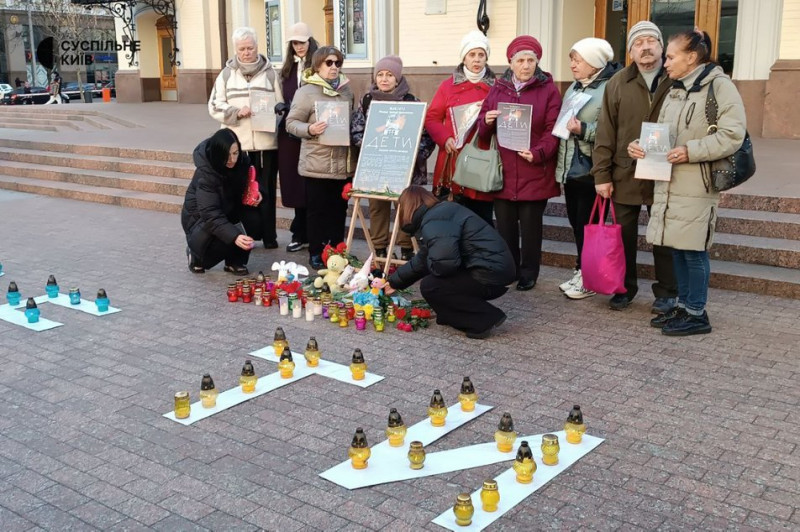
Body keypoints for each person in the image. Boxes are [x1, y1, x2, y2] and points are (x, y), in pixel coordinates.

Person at [630, 29, 746, 335]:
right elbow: (662, 135)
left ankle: (697, 313)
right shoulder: (676, 89)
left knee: (694, 250)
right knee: (678, 248)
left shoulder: (720, 87)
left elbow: (732, 134)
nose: (664, 62)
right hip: (670, 182)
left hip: (697, 183)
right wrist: (641, 146)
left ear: (691, 57)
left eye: (670, 56)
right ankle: (683, 306)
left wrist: (690, 151)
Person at [592, 21, 678, 313]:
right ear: (630, 51)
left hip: (666, 171)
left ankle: (666, 292)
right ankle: (624, 288)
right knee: (623, 235)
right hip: (625, 172)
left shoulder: (676, 78)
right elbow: (605, 131)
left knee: (663, 235)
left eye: (651, 41)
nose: (645, 47)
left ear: (661, 46)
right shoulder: (617, 82)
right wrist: (601, 175)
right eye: (638, 42)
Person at [477, 35, 561, 291]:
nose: (526, 65)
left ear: (538, 62)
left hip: (533, 169)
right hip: (503, 170)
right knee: (504, 228)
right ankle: (509, 269)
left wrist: (538, 153)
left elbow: (553, 129)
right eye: (520, 60)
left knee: (531, 228)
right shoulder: (498, 88)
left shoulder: (548, 90)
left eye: (531, 60)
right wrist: (487, 121)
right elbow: (482, 128)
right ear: (510, 63)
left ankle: (529, 272)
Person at [386, 186, 516, 339]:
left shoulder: (434, 221)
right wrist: (393, 282)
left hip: (491, 275)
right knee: (435, 282)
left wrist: (432, 266)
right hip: (495, 269)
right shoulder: (438, 214)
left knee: (431, 285)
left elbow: (444, 265)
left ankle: (485, 318)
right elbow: (423, 260)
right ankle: (453, 315)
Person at [555, 38, 621, 300]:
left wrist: (583, 130)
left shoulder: (609, 88)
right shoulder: (574, 86)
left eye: (578, 60)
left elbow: (612, 132)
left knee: (589, 225)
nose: (572, 64)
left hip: (592, 167)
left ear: (594, 63)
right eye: (572, 59)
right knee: (576, 222)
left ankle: (589, 277)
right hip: (570, 166)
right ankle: (580, 269)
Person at [351, 55, 435, 261]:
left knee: (406, 205)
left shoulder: (411, 102)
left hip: (404, 165)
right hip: (376, 164)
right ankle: (379, 247)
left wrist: (415, 154)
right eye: (380, 74)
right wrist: (372, 146)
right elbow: (357, 131)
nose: (384, 79)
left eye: (389, 75)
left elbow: (425, 135)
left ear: (397, 78)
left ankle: (406, 247)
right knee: (377, 206)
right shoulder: (367, 100)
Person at [209, 27, 283, 250]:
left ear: (257, 47)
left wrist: (270, 119)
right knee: (240, 191)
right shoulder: (225, 75)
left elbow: (281, 106)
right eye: (242, 49)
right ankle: (245, 236)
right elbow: (214, 105)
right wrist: (235, 112)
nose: (246, 52)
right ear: (235, 50)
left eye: (250, 47)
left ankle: (269, 237)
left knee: (266, 191)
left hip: (266, 144)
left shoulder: (271, 73)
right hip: (237, 146)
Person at [285, 46, 354, 271]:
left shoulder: (347, 91)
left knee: (339, 210)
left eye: (337, 63)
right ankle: (316, 251)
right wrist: (311, 128)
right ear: (317, 66)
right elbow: (291, 122)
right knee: (316, 211)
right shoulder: (306, 92)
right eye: (329, 63)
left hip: (341, 162)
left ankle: (336, 250)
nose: (334, 67)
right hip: (317, 162)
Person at [425, 30, 497, 225]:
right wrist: (445, 138)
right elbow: (432, 118)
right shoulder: (447, 86)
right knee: (450, 220)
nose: (476, 60)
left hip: (481, 161)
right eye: (472, 54)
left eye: (481, 55)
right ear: (464, 57)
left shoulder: (497, 87)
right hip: (452, 157)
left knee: (480, 218)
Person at [181, 129, 259, 275]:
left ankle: (234, 261)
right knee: (224, 239)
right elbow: (210, 214)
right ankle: (196, 256)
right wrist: (235, 236)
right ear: (217, 154)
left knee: (255, 218)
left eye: (235, 153)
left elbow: (250, 184)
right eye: (226, 155)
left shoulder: (242, 163)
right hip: (200, 222)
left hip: (226, 210)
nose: (232, 159)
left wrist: (257, 195)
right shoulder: (205, 174)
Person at [278, 22, 318, 254]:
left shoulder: (320, 65)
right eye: (294, 43)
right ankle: (298, 232)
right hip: (290, 133)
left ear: (309, 42)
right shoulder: (287, 69)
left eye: (302, 42)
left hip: (313, 131)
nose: (299, 46)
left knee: (311, 183)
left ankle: (312, 233)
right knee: (294, 183)